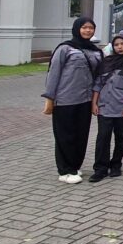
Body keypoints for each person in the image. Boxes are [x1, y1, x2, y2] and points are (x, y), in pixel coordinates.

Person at [42, 17, 103, 184]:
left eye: (91, 28)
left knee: (81, 135)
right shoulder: (65, 48)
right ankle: (65, 170)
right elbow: (53, 73)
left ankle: (75, 166)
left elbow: (99, 76)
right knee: (64, 135)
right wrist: (49, 98)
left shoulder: (96, 51)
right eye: (84, 27)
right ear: (77, 29)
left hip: (85, 99)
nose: (88, 31)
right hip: (65, 99)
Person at [89, 33, 123, 182]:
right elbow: (98, 84)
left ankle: (116, 164)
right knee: (103, 138)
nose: (120, 47)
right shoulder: (106, 62)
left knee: (121, 138)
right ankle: (100, 169)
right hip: (105, 106)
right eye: (117, 44)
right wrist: (94, 103)